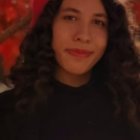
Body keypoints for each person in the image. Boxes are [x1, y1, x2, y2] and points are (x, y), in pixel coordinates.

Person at [0, 0, 140, 139]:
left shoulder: (133, 108)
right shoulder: (6, 112)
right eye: (70, 18)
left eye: (98, 22)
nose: (84, 36)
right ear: (47, 25)